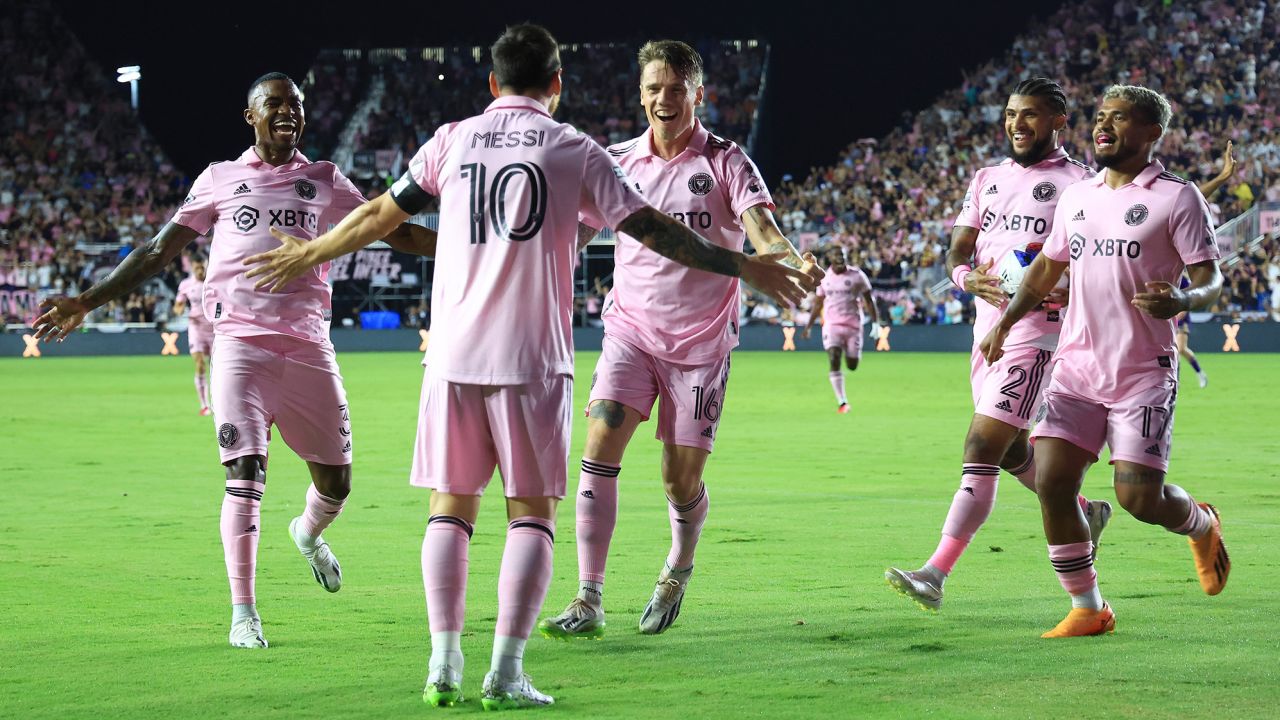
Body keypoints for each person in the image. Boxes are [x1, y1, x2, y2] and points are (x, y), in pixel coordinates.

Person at [242, 25, 813, 710]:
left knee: (449, 511)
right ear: (557, 85)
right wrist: (742, 265)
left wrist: (308, 254)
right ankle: (507, 671)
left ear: (491, 84)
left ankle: (443, 665)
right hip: (533, 359)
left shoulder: (450, 140)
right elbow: (653, 230)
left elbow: (378, 215)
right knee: (531, 517)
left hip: (452, 357)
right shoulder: (576, 149)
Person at [33, 72, 437, 650]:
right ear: (250, 115)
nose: (288, 113)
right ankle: (244, 613)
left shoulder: (324, 181)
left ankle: (307, 534)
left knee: (337, 483)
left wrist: (481, 242)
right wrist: (86, 301)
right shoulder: (220, 180)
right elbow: (157, 250)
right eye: (275, 104)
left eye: (296, 105)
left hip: (307, 348)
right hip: (239, 348)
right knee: (245, 476)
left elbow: (395, 233)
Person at [537, 39, 822, 642]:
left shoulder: (725, 161)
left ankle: (678, 566)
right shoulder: (615, 162)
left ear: (699, 93)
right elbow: (571, 237)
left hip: (702, 344)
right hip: (631, 330)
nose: (663, 99)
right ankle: (588, 596)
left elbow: (763, 232)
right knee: (602, 436)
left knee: (678, 479)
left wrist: (792, 263)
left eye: (675, 88)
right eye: (652, 88)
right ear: (640, 94)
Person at [981, 84, 1230, 638]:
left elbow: (1212, 280)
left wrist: (1184, 299)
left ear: (1151, 133)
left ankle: (1200, 522)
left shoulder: (1177, 197)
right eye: (1100, 116)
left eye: (1120, 118)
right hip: (1075, 369)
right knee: (1052, 480)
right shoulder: (1078, 197)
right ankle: (1089, 606)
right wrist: (1006, 321)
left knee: (1139, 499)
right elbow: (1045, 271)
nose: (1105, 125)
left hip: (1141, 373)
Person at [885, 78, 1110, 612]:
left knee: (981, 447)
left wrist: (1063, 282)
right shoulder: (986, 178)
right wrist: (965, 278)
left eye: (1030, 114)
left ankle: (935, 574)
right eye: (1011, 114)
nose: (1016, 124)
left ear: (1058, 121)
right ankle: (1086, 510)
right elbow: (958, 249)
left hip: (1040, 334)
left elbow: (1102, 262)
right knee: (1010, 450)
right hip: (986, 331)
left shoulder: (1084, 186)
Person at [802, 247, 879, 413]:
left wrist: (876, 324)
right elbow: (818, 302)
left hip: (853, 325)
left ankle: (850, 351)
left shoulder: (857, 275)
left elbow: (869, 300)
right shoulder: (824, 278)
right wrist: (808, 326)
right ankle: (842, 402)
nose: (840, 258)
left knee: (852, 365)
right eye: (836, 255)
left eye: (842, 255)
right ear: (830, 258)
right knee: (834, 357)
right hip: (832, 324)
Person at [172, 255, 213, 415]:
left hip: (214, 329)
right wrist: (180, 310)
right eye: (197, 268)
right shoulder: (186, 285)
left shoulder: (213, 281)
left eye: (202, 267)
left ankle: (219, 402)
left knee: (216, 368)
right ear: (192, 268)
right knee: (200, 364)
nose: (200, 271)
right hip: (196, 328)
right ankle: (204, 406)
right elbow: (178, 305)